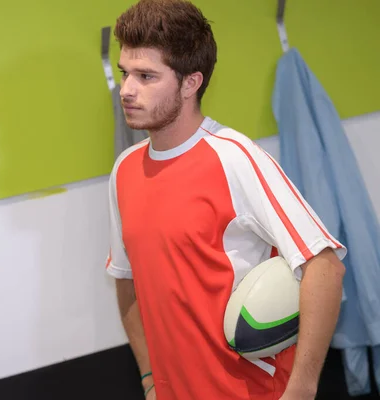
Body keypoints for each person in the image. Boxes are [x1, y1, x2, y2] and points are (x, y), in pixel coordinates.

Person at [104, 1, 347, 399]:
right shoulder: (125, 170)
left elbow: (325, 266)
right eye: (125, 73)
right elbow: (127, 279)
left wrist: (301, 389)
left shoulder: (235, 157)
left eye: (146, 76)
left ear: (190, 82)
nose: (127, 90)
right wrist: (149, 378)